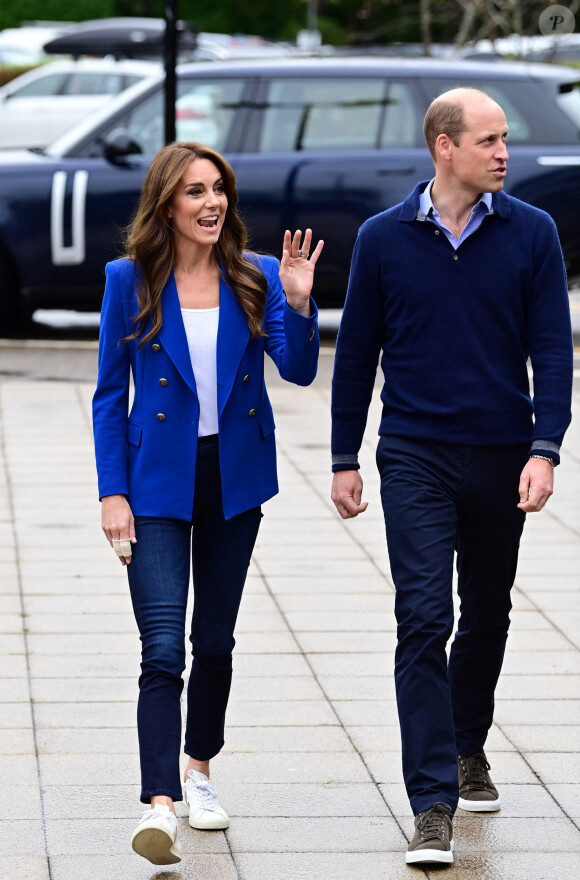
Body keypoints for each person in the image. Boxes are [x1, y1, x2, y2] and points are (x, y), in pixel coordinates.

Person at [330, 88, 573, 866]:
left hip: (504, 454)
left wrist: (546, 448)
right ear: (445, 147)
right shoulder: (382, 237)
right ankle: (431, 801)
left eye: (506, 140)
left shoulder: (533, 233)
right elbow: (356, 353)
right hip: (414, 454)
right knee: (423, 617)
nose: (506, 153)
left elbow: (554, 353)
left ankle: (468, 744)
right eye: (491, 140)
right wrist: (343, 458)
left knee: (489, 612)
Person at [92, 141, 323, 866]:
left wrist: (298, 301)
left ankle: (200, 772)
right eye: (195, 191)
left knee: (214, 642)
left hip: (234, 476)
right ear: (167, 204)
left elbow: (300, 369)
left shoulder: (253, 275)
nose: (211, 203)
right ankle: (159, 804)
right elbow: (108, 396)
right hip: (155, 480)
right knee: (161, 648)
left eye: (218, 189)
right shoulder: (128, 280)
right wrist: (112, 492)